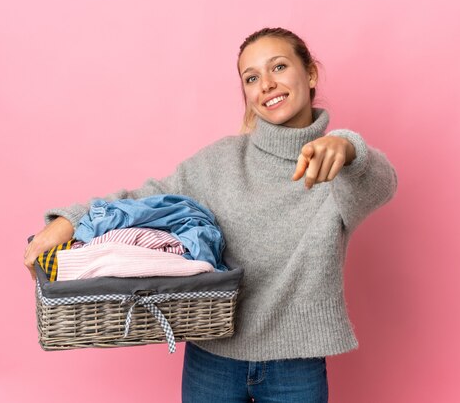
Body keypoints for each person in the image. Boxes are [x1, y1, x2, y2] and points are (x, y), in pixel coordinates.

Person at [24, 27, 397, 402]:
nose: (266, 84)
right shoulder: (221, 160)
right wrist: (72, 219)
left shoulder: (339, 169)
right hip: (213, 359)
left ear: (311, 74)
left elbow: (383, 184)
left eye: (279, 67)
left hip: (296, 365)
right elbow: (143, 199)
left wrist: (348, 146)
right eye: (252, 78)